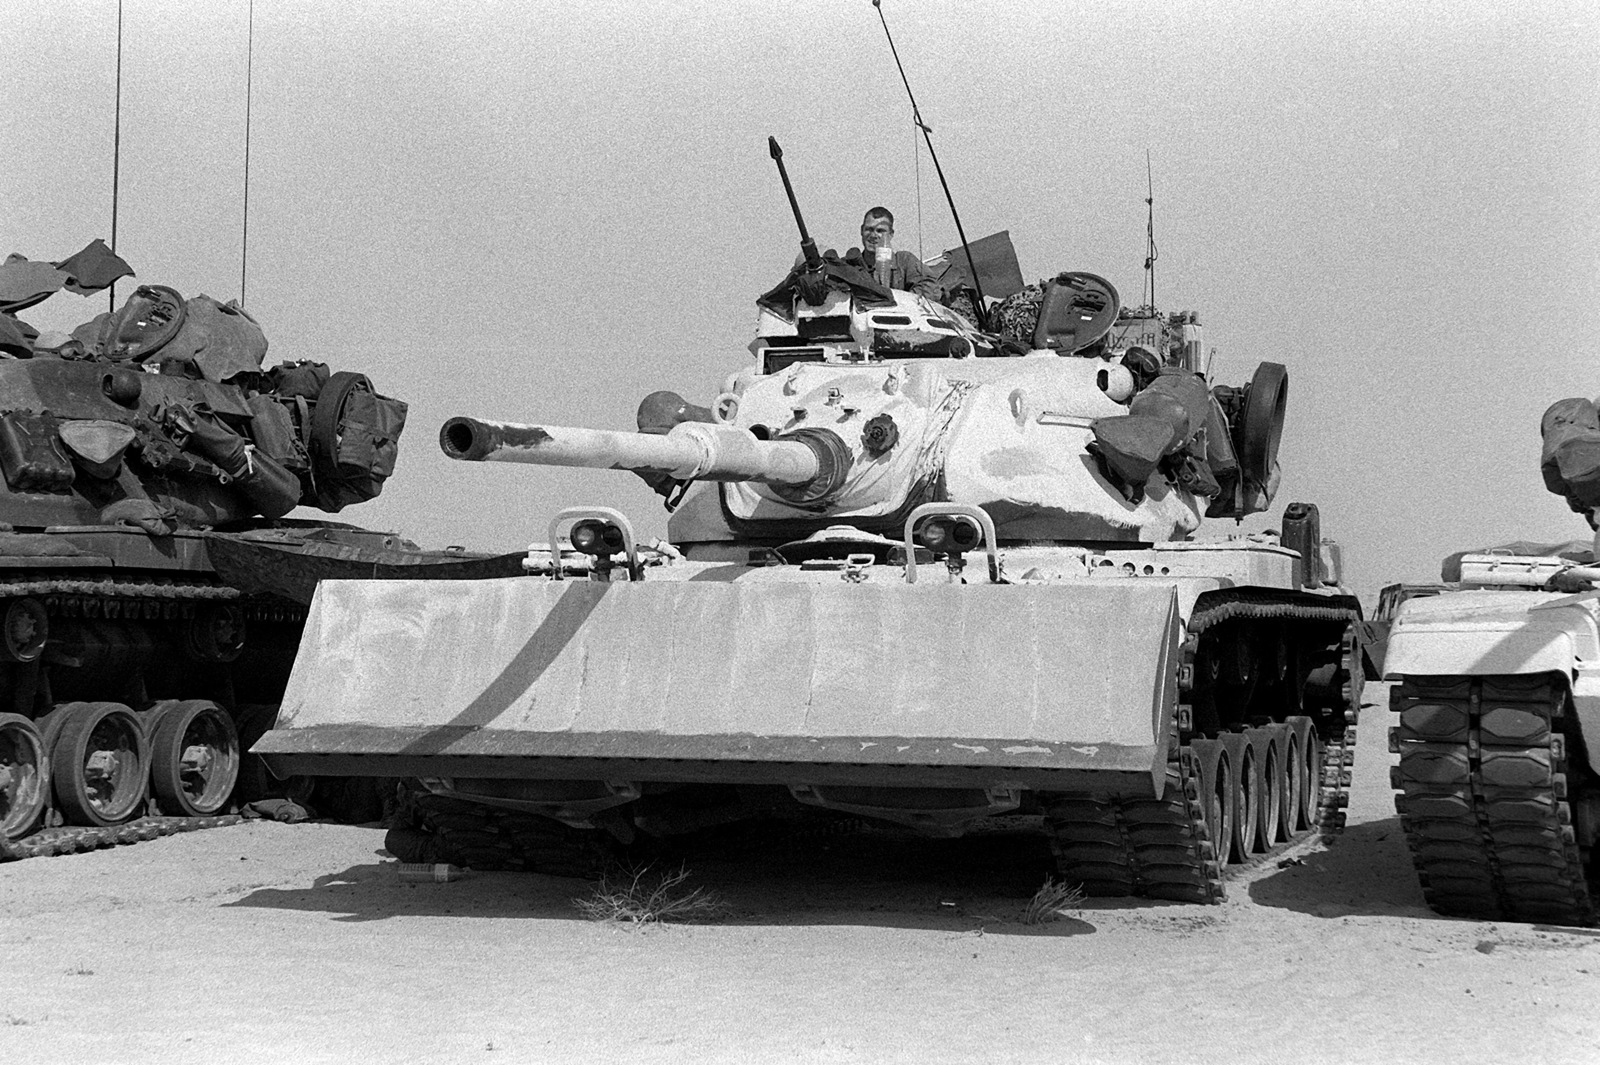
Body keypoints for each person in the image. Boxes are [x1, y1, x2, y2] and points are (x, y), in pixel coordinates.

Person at [855, 207, 941, 300]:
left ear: (891, 234)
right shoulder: (849, 266)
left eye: (880, 231)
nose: (873, 235)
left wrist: (900, 301)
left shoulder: (904, 262)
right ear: (861, 230)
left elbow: (930, 288)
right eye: (869, 229)